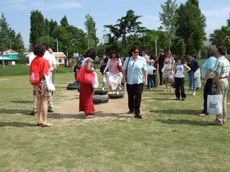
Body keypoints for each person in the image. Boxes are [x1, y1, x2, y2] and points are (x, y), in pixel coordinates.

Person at [30, 43, 52, 127]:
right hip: (43, 82)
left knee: (38, 101)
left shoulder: (33, 61)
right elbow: (45, 73)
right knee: (44, 101)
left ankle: (39, 120)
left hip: (36, 83)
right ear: (43, 52)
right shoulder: (44, 61)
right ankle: (44, 121)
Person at [122, 45, 147, 119]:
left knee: (138, 96)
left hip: (139, 81)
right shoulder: (128, 59)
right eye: (135, 52)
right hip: (130, 81)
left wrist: (145, 80)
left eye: (137, 52)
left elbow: (145, 70)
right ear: (132, 52)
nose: (136, 53)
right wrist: (124, 78)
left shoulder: (142, 59)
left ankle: (137, 113)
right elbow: (124, 69)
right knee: (131, 96)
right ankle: (131, 109)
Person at [211, 46, 230, 126]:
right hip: (226, 80)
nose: (215, 52)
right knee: (224, 100)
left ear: (219, 52)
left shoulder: (219, 61)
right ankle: (224, 118)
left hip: (220, 81)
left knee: (219, 101)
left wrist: (214, 84)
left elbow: (217, 74)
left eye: (216, 51)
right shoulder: (227, 61)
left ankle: (219, 120)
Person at [199, 46, 217, 117]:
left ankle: (206, 111)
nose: (205, 51)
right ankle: (207, 109)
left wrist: (205, 79)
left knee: (207, 95)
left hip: (209, 79)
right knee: (208, 95)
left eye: (206, 50)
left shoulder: (211, 59)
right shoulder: (211, 59)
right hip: (209, 79)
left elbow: (210, 70)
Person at [79, 49, 97, 119]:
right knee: (88, 97)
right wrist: (94, 70)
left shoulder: (85, 59)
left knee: (84, 96)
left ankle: (89, 111)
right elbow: (88, 69)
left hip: (83, 81)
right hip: (87, 82)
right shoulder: (89, 60)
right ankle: (87, 113)